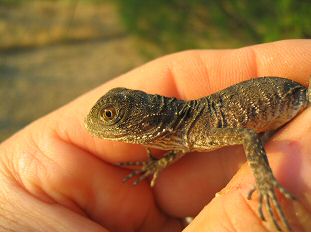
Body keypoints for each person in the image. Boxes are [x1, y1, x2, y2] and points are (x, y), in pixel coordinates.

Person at [0, 39, 310, 231]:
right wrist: (158, 165)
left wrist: (267, 181)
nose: (99, 125)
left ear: (144, 118)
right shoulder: (182, 132)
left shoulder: (196, 128)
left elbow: (245, 136)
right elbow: (181, 144)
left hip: (296, 98)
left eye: (110, 117)